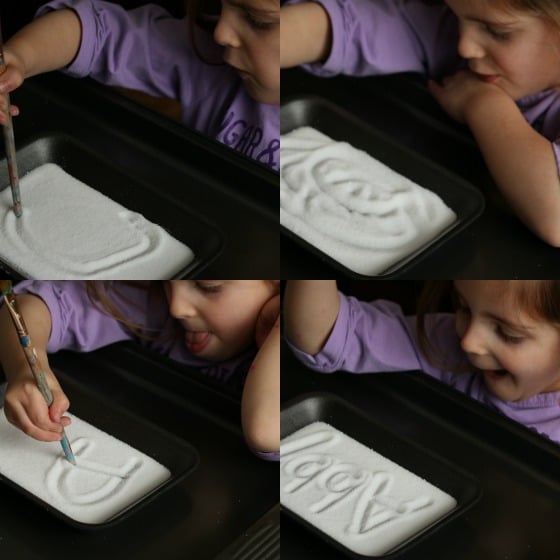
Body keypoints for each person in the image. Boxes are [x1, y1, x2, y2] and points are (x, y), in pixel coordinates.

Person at [281, 0, 560, 245]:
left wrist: (483, 104)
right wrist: (268, 37)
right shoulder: (451, 34)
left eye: (498, 32)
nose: (464, 46)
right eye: (456, 13)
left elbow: (554, 214)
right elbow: (354, 27)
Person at [0, 280, 280, 460]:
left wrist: (281, 329)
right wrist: (25, 368)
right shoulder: (154, 304)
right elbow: (32, 304)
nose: (177, 306)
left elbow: (266, 432)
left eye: (208, 287)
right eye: (172, 284)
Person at [0, 0, 280, 170]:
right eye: (221, 5)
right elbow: (101, 32)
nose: (220, 32)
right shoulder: (209, 60)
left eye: (258, 21)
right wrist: (20, 57)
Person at [284, 279, 560, 444]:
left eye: (508, 334)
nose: (469, 343)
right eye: (463, 307)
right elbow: (330, 336)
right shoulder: (447, 343)